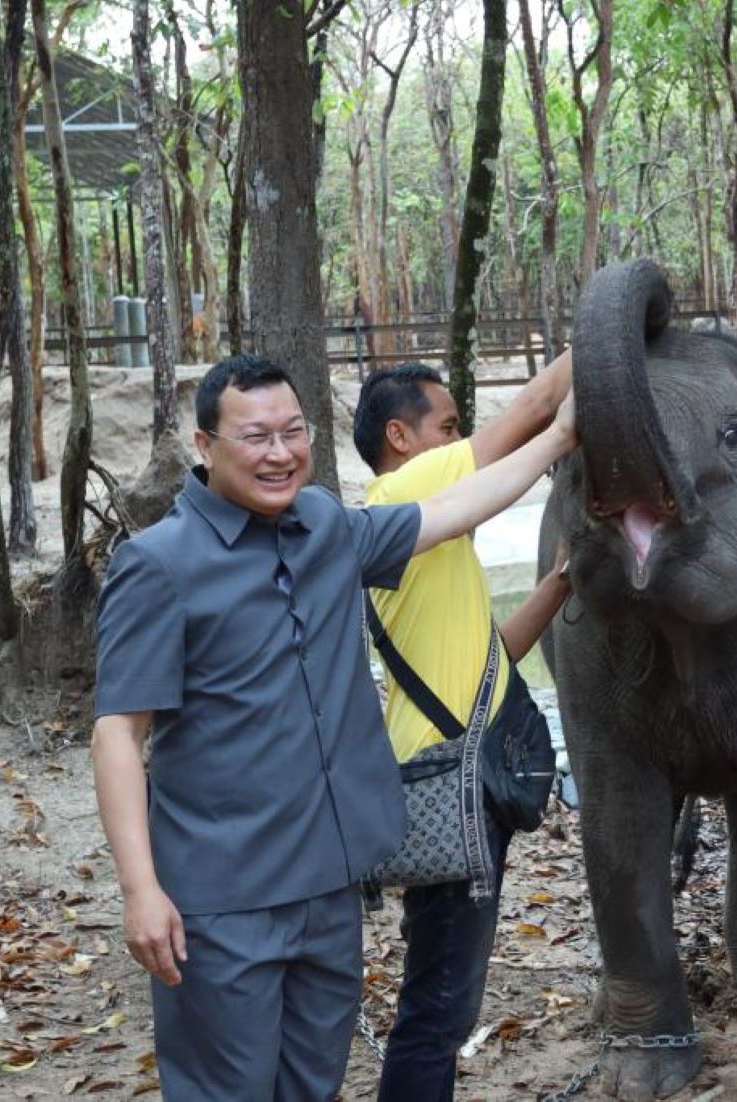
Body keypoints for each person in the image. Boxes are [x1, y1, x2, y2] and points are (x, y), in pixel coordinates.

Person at [90, 353, 576, 1100]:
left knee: (313, 1087)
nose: (279, 454)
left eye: (293, 432)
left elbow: (453, 509)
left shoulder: (324, 526)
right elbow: (119, 733)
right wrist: (139, 890)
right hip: (222, 902)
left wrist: (558, 437)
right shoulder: (159, 565)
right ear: (204, 446)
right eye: (255, 437)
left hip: (330, 890)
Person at [351, 355, 573, 1101]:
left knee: (443, 998)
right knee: (438, 1011)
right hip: (450, 785)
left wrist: (559, 586)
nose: (462, 439)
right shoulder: (401, 492)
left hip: (449, 775)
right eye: (448, 427)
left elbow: (491, 658)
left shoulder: (429, 548)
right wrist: (606, 315)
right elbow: (538, 406)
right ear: (401, 437)